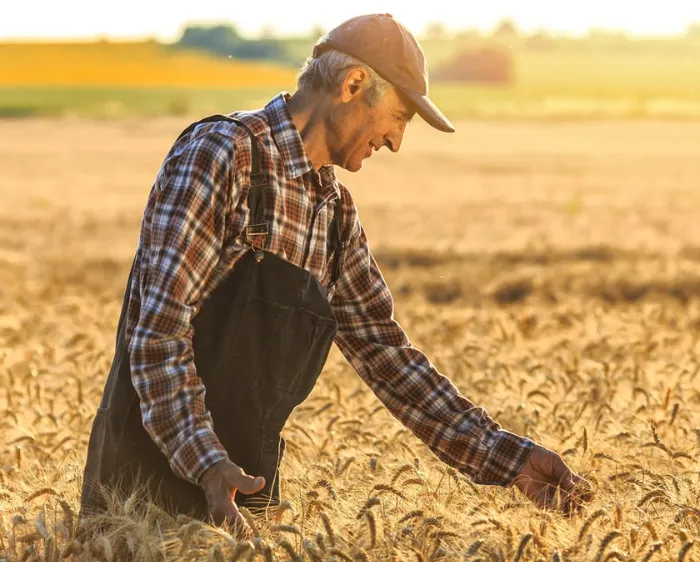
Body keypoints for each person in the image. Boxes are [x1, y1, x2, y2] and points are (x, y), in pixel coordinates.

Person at [79, 13, 592, 535]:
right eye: (400, 117)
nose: (396, 142)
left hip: (241, 502)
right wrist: (206, 463)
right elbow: (157, 335)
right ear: (353, 84)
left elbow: (385, 353)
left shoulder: (334, 212)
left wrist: (511, 460)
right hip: (141, 501)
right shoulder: (223, 154)